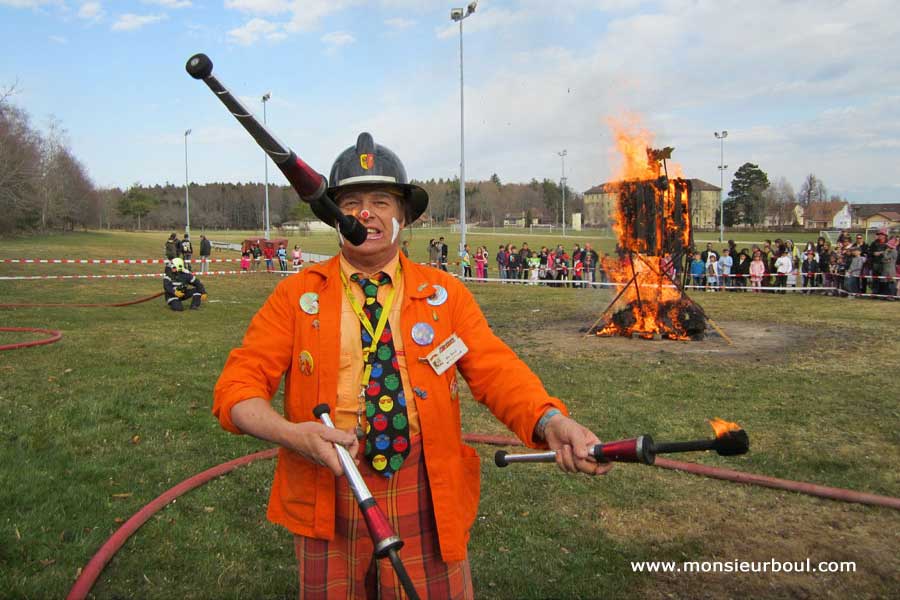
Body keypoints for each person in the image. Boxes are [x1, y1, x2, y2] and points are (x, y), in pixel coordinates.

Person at [212, 132, 610, 598]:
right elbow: (236, 391)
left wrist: (550, 420)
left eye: (382, 201)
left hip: (425, 485)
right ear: (334, 216)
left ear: (404, 217)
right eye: (352, 202)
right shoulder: (296, 296)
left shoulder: (445, 296)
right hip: (327, 479)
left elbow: (495, 370)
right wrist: (292, 436)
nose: (365, 213)